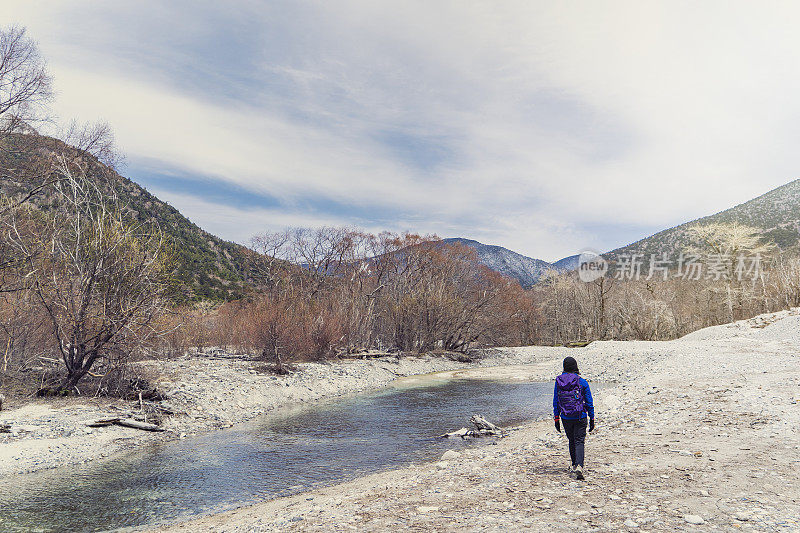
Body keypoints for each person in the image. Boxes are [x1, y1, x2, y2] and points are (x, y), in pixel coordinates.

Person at [553, 356, 594, 480]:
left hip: (566, 417)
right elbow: (589, 402)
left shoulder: (559, 381)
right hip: (580, 416)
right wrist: (592, 418)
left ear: (564, 367)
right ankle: (579, 466)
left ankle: (574, 464)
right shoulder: (582, 382)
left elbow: (556, 401)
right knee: (579, 441)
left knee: (571, 440)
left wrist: (556, 418)